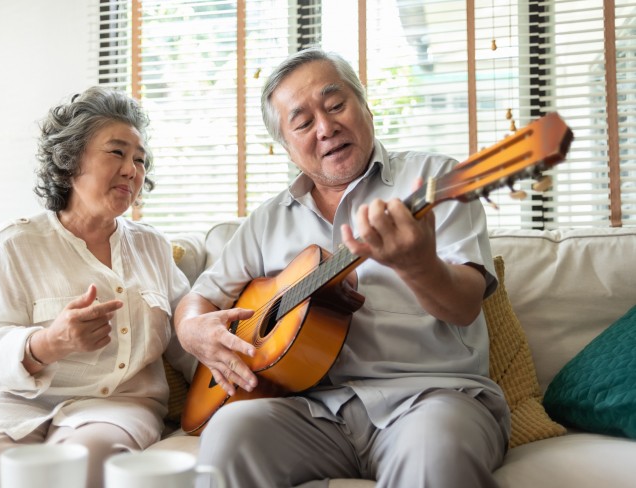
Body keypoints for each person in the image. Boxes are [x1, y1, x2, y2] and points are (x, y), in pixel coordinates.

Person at [174, 48, 511, 487]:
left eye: (336, 106)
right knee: (230, 433)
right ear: (287, 148)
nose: (326, 127)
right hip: (311, 413)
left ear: (365, 106)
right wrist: (192, 330)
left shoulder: (435, 180)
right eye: (303, 122)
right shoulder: (266, 221)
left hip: (432, 399)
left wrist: (419, 265)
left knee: (437, 450)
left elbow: (466, 304)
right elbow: (200, 296)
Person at [0, 86, 194, 488]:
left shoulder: (152, 246)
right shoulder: (14, 242)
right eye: (117, 152)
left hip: (114, 405)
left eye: (140, 160)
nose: (132, 169)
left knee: (85, 465)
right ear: (70, 160)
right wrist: (48, 343)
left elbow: (187, 337)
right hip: (6, 401)